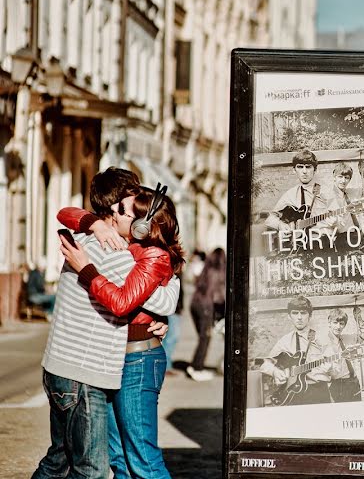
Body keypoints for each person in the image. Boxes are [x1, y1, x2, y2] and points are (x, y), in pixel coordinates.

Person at [32, 168, 177, 479]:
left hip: (69, 367)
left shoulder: (85, 238)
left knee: (63, 459)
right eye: (128, 204)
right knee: (93, 469)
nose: (129, 210)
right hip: (84, 372)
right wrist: (167, 288)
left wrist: (91, 226)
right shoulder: (118, 254)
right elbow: (160, 300)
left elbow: (66, 213)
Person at [257, 296, 337, 405]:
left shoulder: (322, 338)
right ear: (289, 316)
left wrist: (330, 367)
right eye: (295, 313)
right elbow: (265, 365)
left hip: (318, 393)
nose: (299, 317)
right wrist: (275, 372)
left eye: (303, 313)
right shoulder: (285, 341)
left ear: (310, 316)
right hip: (293, 394)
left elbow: (336, 369)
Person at [265, 149, 329, 232]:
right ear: (294, 170)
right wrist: (281, 225)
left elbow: (340, 220)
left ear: (315, 170)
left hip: (320, 240)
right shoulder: (290, 194)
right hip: (298, 242)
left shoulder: (327, 192)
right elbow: (270, 219)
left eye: (308, 167)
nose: (304, 171)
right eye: (300, 167)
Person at [187, 247, 226, 381]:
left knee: (203, 338)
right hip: (206, 307)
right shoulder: (218, 272)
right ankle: (197, 368)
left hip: (195, 304)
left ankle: (195, 366)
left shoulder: (206, 269)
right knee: (205, 338)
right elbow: (218, 296)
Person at [321, 161, 364, 238]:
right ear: (334, 177)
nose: (343, 181)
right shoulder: (326, 196)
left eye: (346, 178)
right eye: (340, 177)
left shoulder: (351, 192)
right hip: (336, 236)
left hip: (354, 234)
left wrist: (363, 173)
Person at [325, 308, 363, 403]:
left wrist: (358, 318)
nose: (338, 327)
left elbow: (363, 336)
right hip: (337, 384)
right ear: (329, 323)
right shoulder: (323, 343)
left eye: (341, 324)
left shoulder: (346, 338)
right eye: (335, 323)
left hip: (353, 382)